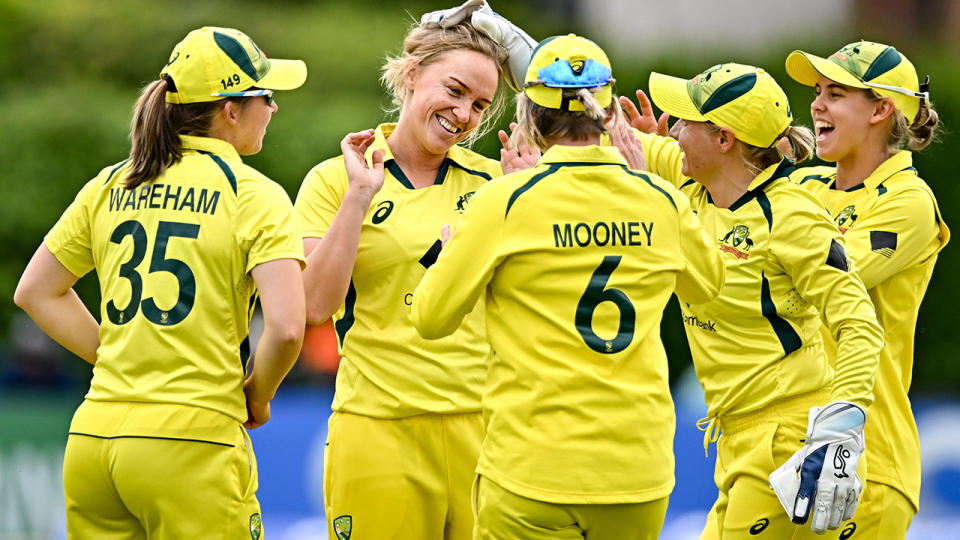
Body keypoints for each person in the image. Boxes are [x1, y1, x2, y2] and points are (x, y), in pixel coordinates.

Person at [410, 33, 725, 540]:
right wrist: (651, 185)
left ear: (531, 116)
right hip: (635, 471)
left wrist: (457, 250)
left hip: (531, 468)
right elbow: (707, 285)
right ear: (608, 114)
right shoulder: (660, 200)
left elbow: (429, 319)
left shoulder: (506, 201)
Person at [13, 26, 307, 538]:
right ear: (230, 110)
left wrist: (120, 354)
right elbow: (285, 328)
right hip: (192, 445)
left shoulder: (113, 181)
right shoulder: (252, 193)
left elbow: (35, 292)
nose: (274, 108)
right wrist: (258, 396)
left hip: (94, 439)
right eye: (265, 95)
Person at [293, 3, 536, 538]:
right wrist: (358, 199)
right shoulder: (337, 178)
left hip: (487, 429)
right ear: (410, 75)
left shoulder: (499, 180)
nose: (465, 114)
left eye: (479, 103)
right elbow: (313, 306)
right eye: (453, 90)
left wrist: (528, 199)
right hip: (380, 429)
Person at [615, 63, 884, 538]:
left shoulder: (791, 215)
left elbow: (859, 322)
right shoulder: (692, 183)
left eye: (685, 122)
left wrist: (840, 431)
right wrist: (507, 43)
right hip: (735, 440)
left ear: (724, 140)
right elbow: (595, 118)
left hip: (787, 442)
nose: (671, 131)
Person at [784, 41, 950, 538]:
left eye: (835, 93)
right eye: (817, 92)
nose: (816, 105)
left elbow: (827, 274)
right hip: (795, 449)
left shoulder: (909, 201)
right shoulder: (806, 187)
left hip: (866, 462)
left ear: (882, 110)